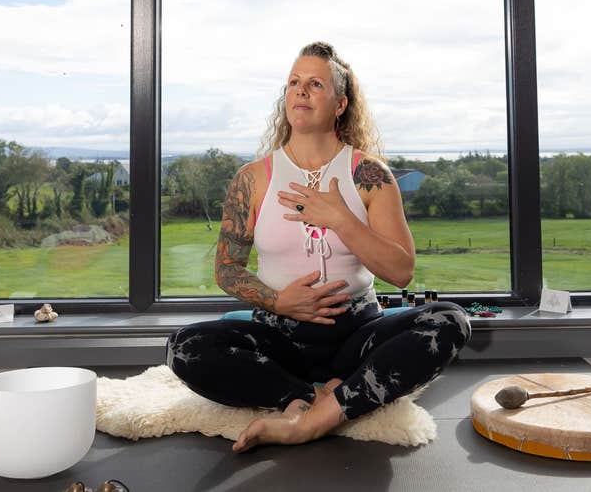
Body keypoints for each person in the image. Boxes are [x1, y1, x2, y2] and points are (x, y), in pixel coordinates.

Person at [165, 41, 471, 453]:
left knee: (450, 321)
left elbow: (401, 271)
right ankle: (299, 400)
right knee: (183, 346)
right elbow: (227, 268)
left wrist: (340, 218)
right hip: (280, 337)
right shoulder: (253, 179)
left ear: (341, 103)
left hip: (357, 334)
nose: (300, 91)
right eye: (293, 82)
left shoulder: (369, 174)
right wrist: (278, 301)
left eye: (314, 83)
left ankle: (318, 419)